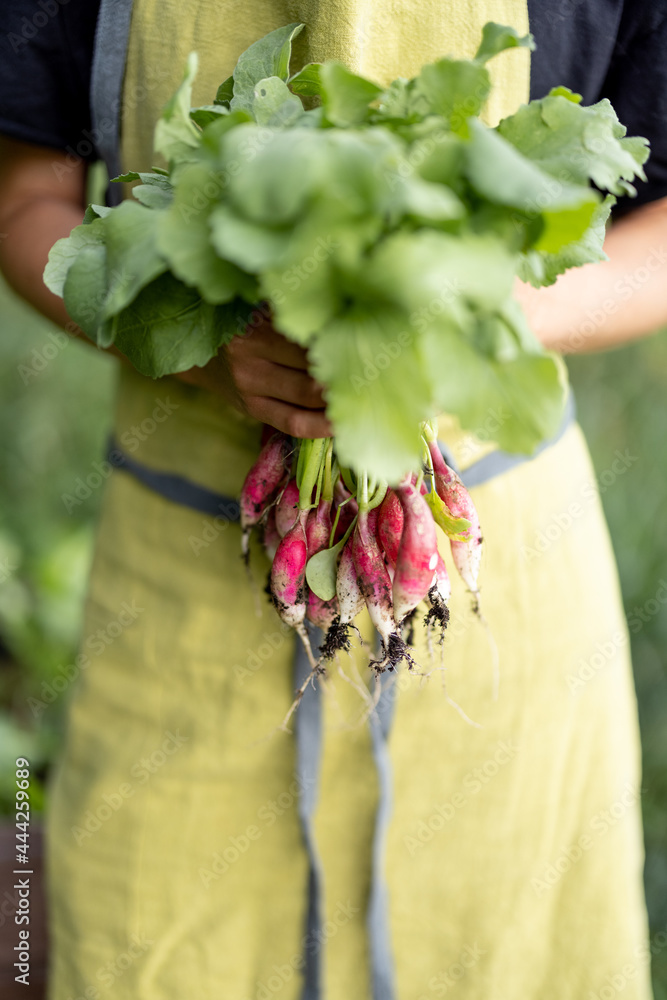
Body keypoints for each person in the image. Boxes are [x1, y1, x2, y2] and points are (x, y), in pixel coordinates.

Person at [0, 2, 666, 998]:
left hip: (504, 616)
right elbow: (25, 210)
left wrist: (481, 315)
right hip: (182, 587)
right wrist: (204, 343)